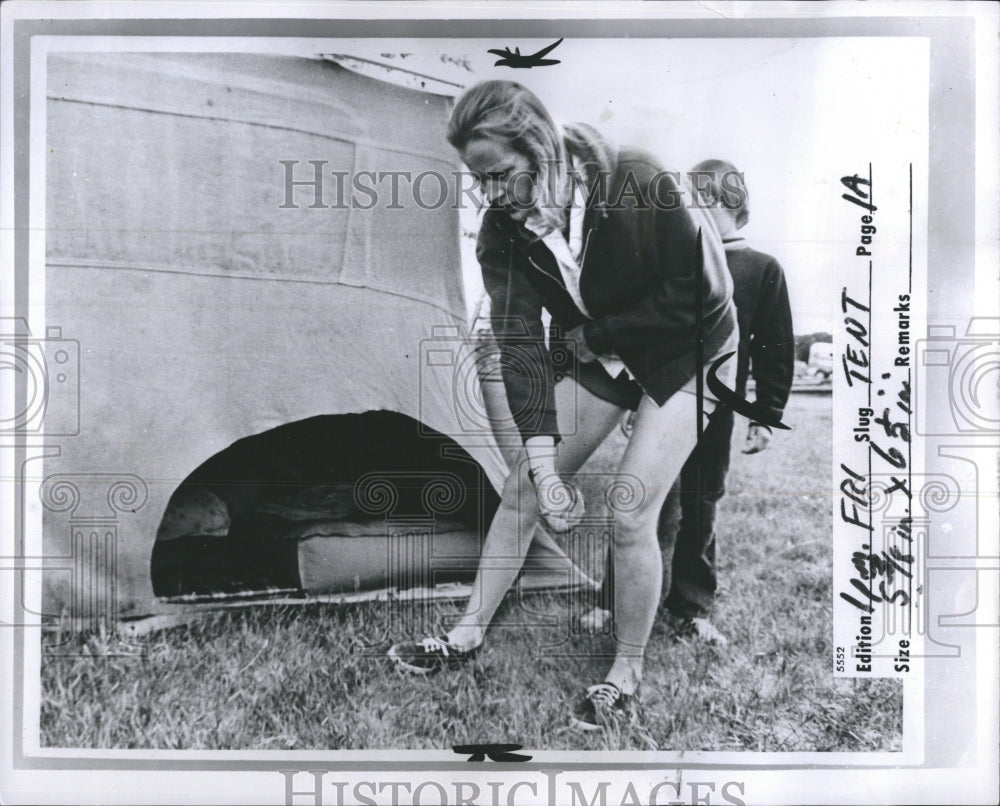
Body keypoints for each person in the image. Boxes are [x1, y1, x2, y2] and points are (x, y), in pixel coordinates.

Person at [388, 81, 738, 731]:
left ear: (542, 147)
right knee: (524, 484)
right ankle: (464, 635)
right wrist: (548, 474)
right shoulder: (502, 231)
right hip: (606, 347)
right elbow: (520, 343)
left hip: (690, 346)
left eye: (500, 176)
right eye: (479, 182)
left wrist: (597, 337)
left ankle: (625, 671)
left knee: (632, 510)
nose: (490, 196)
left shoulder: (639, 177)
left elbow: (701, 297)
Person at [585, 160, 795, 645]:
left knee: (700, 505)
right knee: (641, 502)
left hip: (715, 411)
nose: (689, 213)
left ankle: (691, 606)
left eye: (701, 202)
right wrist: (634, 398)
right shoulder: (674, 263)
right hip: (661, 401)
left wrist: (766, 415)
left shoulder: (761, 268)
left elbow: (774, 349)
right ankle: (611, 600)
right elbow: (645, 331)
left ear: (727, 206)